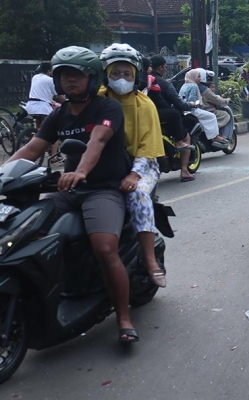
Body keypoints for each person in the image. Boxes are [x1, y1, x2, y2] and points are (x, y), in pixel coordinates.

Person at [6, 46, 137, 343]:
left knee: (105, 248)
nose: (70, 81)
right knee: (24, 232)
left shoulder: (107, 108)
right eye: (64, 76)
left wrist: (81, 172)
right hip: (66, 190)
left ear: (92, 79)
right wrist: (3, 173)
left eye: (77, 75)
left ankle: (123, 317)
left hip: (103, 189)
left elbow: (97, 141)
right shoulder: (58, 115)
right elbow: (32, 149)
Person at [99, 43, 167, 289]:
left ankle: (149, 259)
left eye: (127, 74)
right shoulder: (97, 100)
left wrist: (134, 174)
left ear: (136, 75)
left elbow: (148, 146)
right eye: (115, 73)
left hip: (142, 165)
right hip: (104, 166)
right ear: (105, 74)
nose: (121, 79)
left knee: (138, 194)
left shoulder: (144, 104)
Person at [146, 55, 196, 181]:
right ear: (162, 67)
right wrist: (189, 105)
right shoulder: (164, 84)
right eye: (165, 66)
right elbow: (179, 104)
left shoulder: (140, 81)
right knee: (186, 136)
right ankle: (184, 171)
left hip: (144, 117)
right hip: (162, 117)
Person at [176, 69, 221, 142]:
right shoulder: (193, 85)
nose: (200, 79)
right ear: (193, 77)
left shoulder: (184, 85)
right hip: (191, 110)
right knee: (212, 116)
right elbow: (192, 100)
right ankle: (215, 136)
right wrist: (196, 103)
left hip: (184, 109)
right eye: (198, 77)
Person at [196, 68, 234, 142]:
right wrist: (226, 100)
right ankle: (218, 135)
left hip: (195, 110)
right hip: (206, 111)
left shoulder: (192, 86)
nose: (209, 79)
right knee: (225, 115)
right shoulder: (205, 90)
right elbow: (218, 100)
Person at [24, 61, 62, 129]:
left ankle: (35, 133)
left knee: (38, 126)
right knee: (51, 129)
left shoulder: (35, 77)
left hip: (31, 107)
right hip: (43, 108)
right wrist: (67, 102)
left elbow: (41, 92)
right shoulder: (50, 80)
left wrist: (50, 100)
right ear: (49, 71)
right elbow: (59, 95)